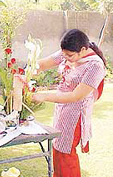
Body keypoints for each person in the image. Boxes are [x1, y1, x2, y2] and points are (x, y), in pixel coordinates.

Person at [32, 29, 106, 177]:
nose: (64, 57)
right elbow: (42, 64)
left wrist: (44, 96)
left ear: (83, 50)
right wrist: (26, 72)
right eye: (63, 54)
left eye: (69, 55)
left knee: (66, 153)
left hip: (76, 115)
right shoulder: (68, 52)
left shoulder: (95, 66)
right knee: (57, 149)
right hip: (62, 108)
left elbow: (75, 96)